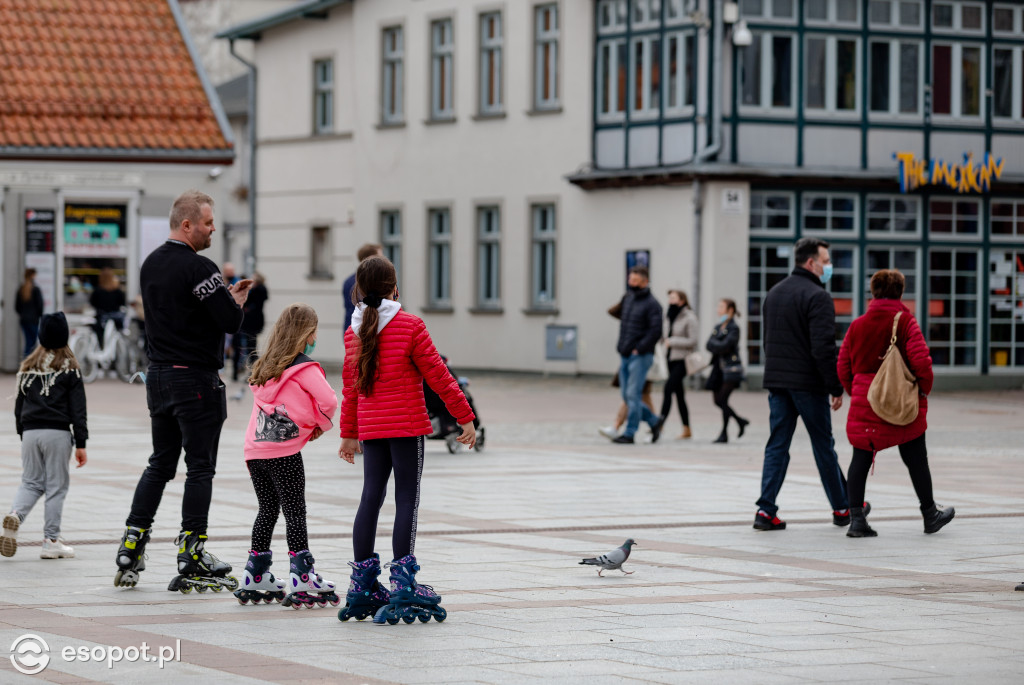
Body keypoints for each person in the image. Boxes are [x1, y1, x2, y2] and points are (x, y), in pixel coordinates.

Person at [114, 190, 253, 590]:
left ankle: (131, 544)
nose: (213, 229)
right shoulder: (201, 268)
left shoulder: (150, 264)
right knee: (200, 467)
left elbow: (179, 313)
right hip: (195, 380)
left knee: (159, 463)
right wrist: (236, 300)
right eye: (208, 222)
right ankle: (192, 550)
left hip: (158, 376)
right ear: (187, 224)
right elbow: (229, 321)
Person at [337, 255, 475, 624]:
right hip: (407, 428)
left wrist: (349, 434)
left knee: (371, 497)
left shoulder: (353, 332)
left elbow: (350, 389)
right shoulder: (410, 324)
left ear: (359, 291)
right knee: (406, 499)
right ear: (395, 288)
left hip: (370, 429)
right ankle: (402, 581)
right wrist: (464, 417)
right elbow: (440, 376)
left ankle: (362, 583)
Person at [234, 303, 341, 608]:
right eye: (315, 331)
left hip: (255, 451)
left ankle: (255, 574)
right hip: (284, 452)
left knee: (267, 509)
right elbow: (329, 401)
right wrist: (318, 425)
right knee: (295, 511)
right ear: (308, 333)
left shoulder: (265, 366)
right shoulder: (304, 368)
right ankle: (302, 576)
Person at [838, 269, 954, 538]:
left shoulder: (857, 325)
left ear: (873, 292)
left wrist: (855, 391)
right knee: (916, 457)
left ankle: (856, 521)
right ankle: (930, 515)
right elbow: (921, 361)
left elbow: (843, 365)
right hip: (901, 401)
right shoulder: (905, 321)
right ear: (901, 292)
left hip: (865, 400)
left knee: (860, 457)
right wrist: (922, 391)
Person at [755, 237, 860, 531]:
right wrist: (836, 387)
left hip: (778, 382)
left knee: (777, 444)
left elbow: (768, 342)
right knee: (823, 446)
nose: (829, 266)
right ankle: (843, 508)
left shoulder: (774, 293)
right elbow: (823, 349)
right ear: (811, 263)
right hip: (808, 384)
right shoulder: (818, 296)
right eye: (826, 261)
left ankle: (765, 511)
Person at [1, 312, 88, 559]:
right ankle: (51, 540)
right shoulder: (70, 369)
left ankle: (15, 514)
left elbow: (19, 407)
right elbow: (78, 410)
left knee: (31, 481)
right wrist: (81, 443)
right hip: (57, 433)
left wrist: (23, 434)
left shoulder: (28, 367)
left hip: (30, 432)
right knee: (56, 487)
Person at [606, 266, 664, 445]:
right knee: (627, 395)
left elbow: (656, 331)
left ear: (645, 282)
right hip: (625, 353)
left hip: (640, 355)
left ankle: (630, 433)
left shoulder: (653, 304)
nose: (631, 284)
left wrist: (639, 348)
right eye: (630, 280)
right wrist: (622, 346)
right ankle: (654, 421)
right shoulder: (629, 298)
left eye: (635, 281)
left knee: (633, 394)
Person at [706, 299, 749, 444]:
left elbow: (726, 345)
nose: (718, 309)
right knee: (718, 400)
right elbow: (708, 344)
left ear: (730, 309)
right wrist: (718, 345)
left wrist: (716, 344)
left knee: (723, 399)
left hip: (731, 368)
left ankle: (724, 433)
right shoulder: (718, 326)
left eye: (721, 306)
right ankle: (740, 421)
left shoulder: (734, 327)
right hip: (718, 368)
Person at [661, 289, 698, 439]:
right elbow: (665, 335)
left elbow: (693, 340)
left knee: (668, 389)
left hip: (683, 360)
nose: (670, 300)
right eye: (669, 297)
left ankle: (659, 424)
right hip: (669, 359)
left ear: (682, 300)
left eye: (673, 298)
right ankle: (687, 429)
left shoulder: (689, 317)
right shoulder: (669, 316)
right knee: (680, 395)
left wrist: (673, 341)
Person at [233, 271, 269, 383]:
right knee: (251, 347)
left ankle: (254, 372)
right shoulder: (260, 290)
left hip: (251, 323)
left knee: (251, 348)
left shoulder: (258, 291)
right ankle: (252, 372)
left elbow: (251, 304)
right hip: (254, 323)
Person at [343, 243, 383, 334]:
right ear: (370, 258)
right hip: (363, 333)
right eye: (379, 257)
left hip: (352, 331)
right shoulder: (365, 282)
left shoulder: (349, 281)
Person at [89, 267, 127, 347]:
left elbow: (93, 303)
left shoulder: (97, 291)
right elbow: (122, 303)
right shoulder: (117, 291)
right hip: (115, 319)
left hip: (102, 318)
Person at [15, 268, 45, 357]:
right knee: (32, 343)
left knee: (28, 342)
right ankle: (30, 364)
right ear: (32, 276)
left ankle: (26, 361)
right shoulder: (35, 289)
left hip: (24, 319)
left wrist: (23, 314)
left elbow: (17, 307)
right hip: (33, 319)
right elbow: (40, 305)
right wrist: (39, 315)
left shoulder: (21, 289)